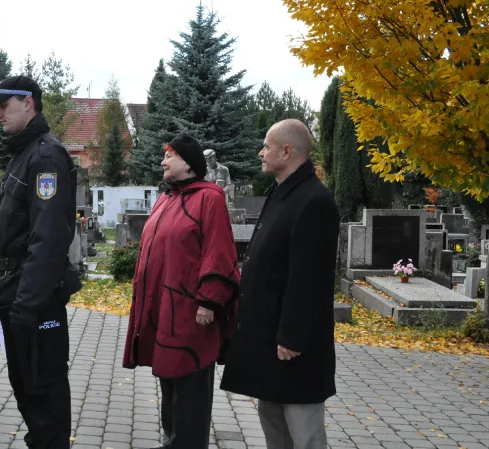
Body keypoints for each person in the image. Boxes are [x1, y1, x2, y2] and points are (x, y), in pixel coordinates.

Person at [220, 119, 339, 449]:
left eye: (267, 146)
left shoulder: (313, 201)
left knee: (304, 433)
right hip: (268, 338)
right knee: (273, 423)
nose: (261, 152)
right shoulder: (283, 194)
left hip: (293, 346)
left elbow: (309, 278)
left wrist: (292, 337)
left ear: (287, 151)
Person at [0, 75, 82, 449]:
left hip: (32, 295)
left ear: (28, 103)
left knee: (43, 388)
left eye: (3, 107)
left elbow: (50, 236)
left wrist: (28, 302)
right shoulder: (25, 153)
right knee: (26, 385)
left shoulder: (44, 156)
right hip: (18, 289)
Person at [122, 133, 240, 449]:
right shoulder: (166, 199)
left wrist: (210, 301)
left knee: (190, 383)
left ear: (187, 164)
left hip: (192, 314)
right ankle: (171, 439)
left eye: (169, 156)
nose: (163, 161)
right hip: (163, 310)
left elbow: (219, 252)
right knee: (169, 377)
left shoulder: (210, 198)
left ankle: (188, 443)